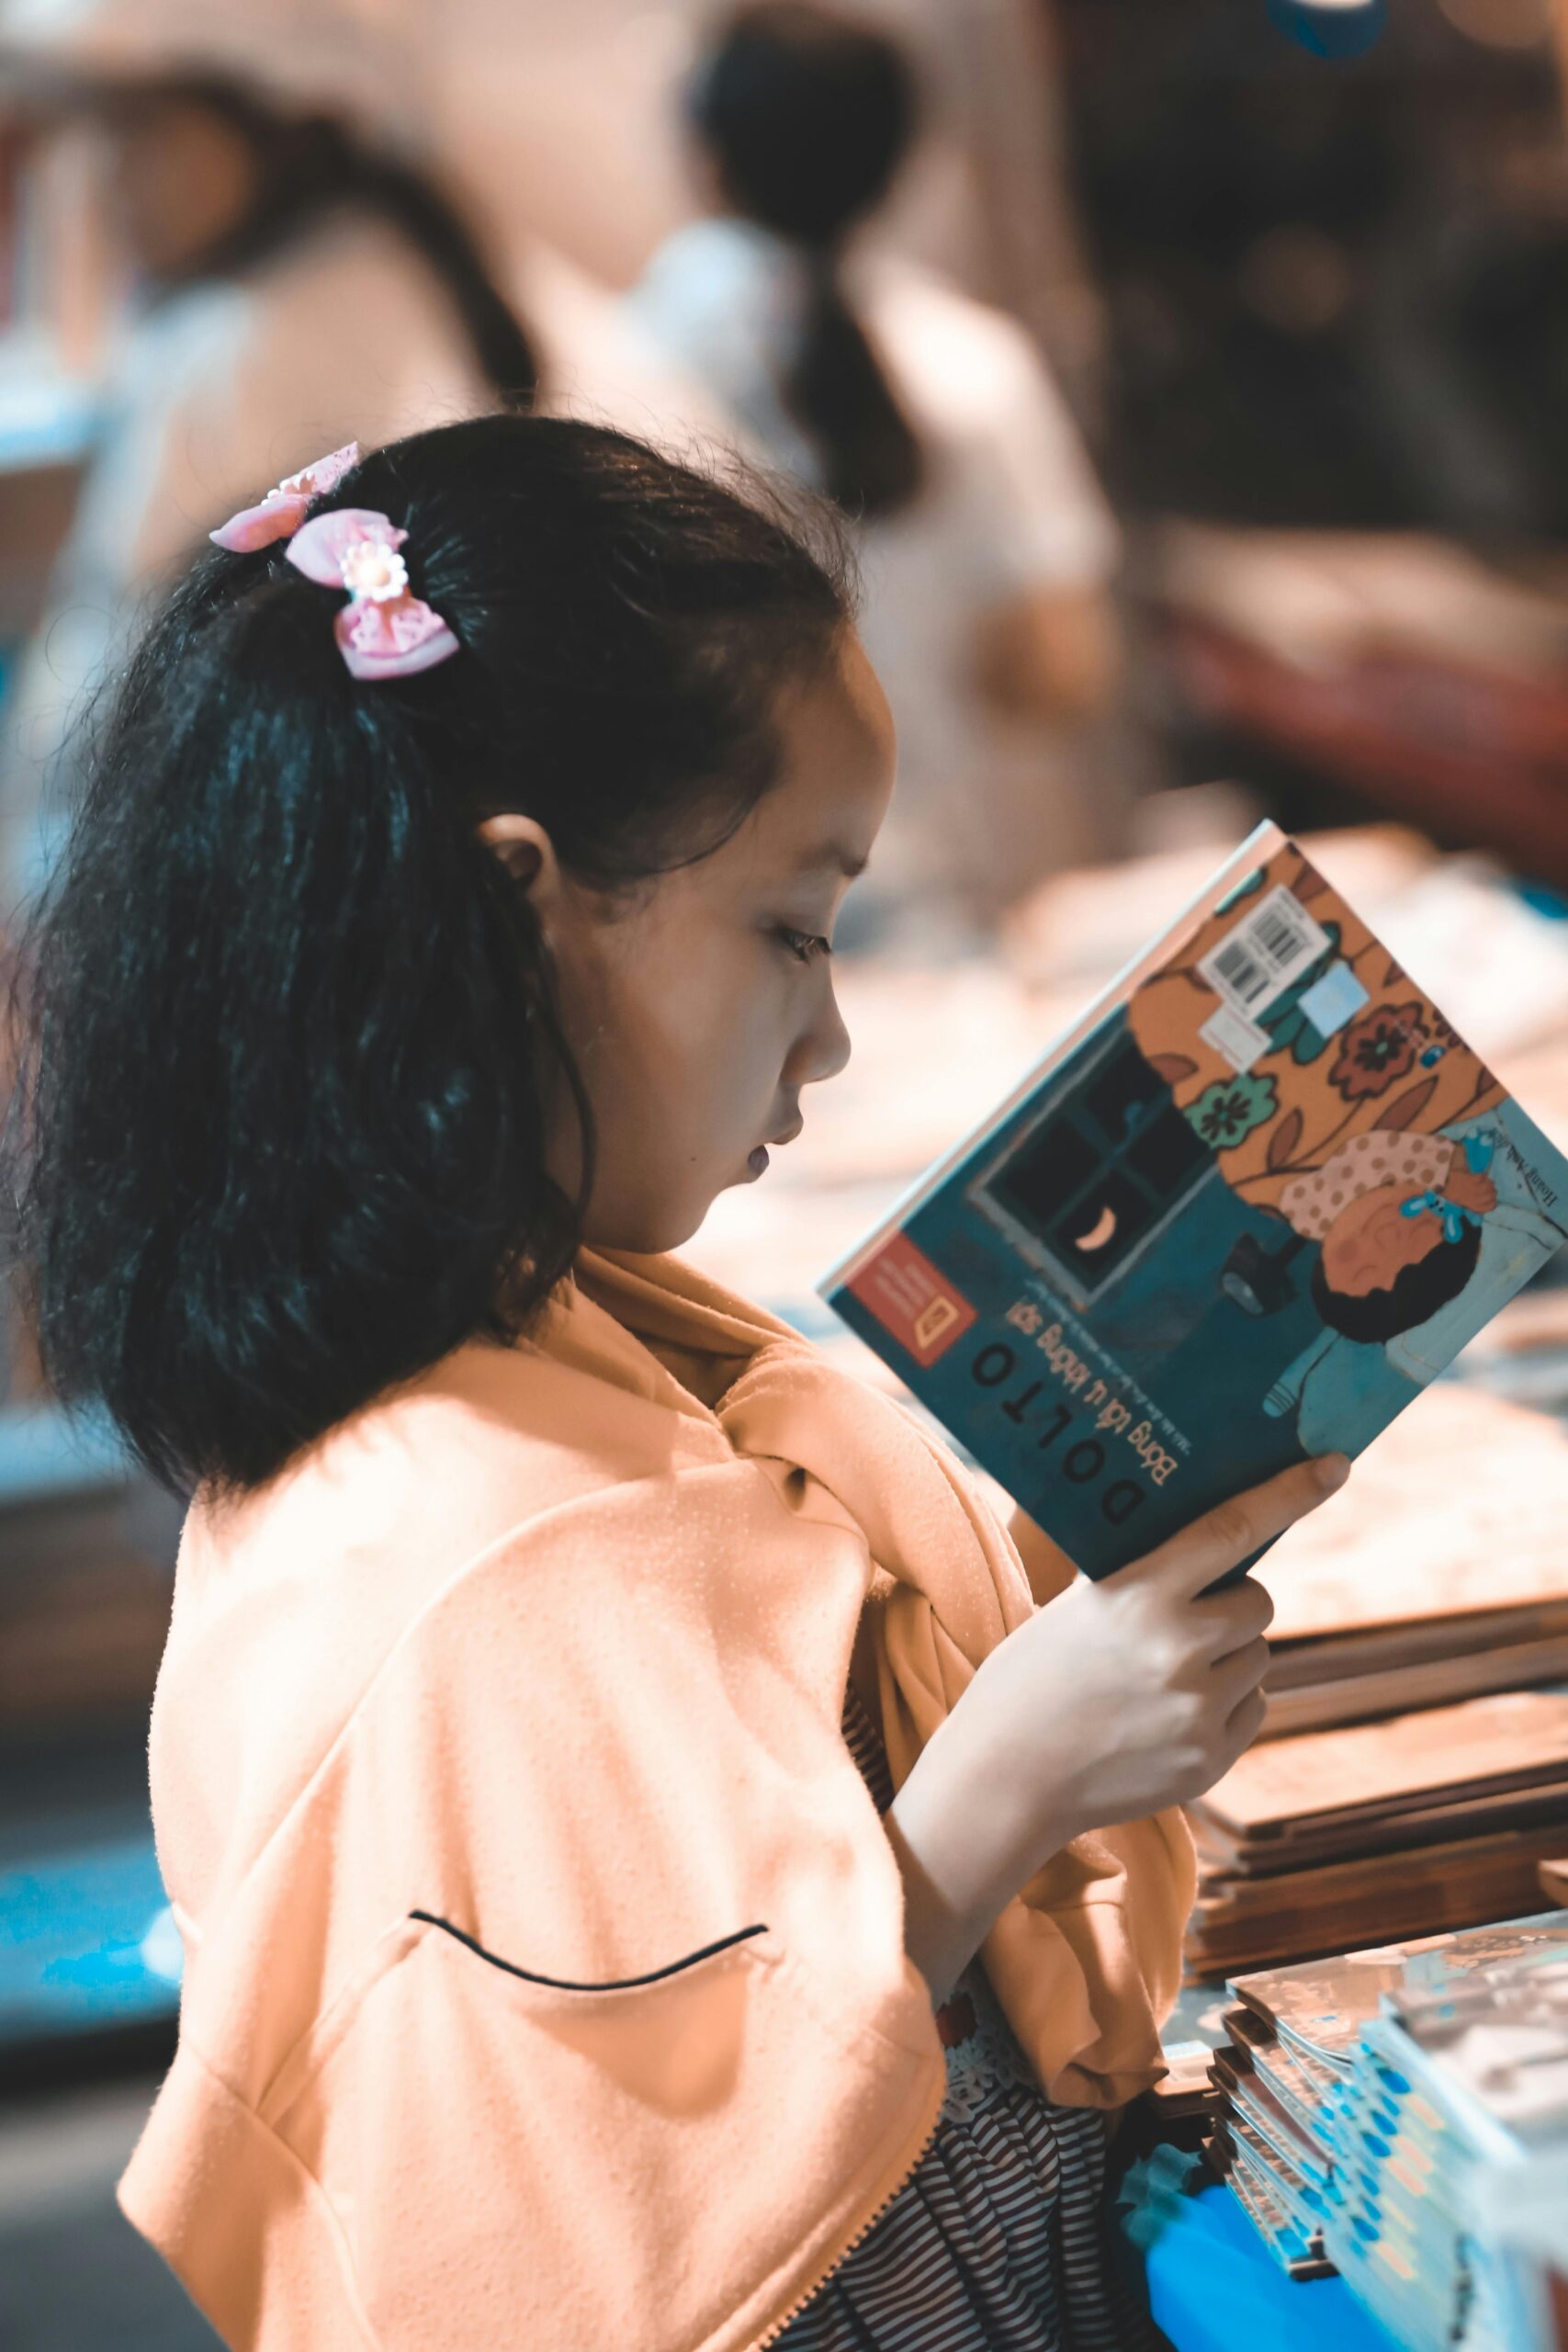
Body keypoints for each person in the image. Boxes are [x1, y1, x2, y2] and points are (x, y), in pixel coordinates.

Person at [7, 413, 1347, 2350]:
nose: (826, 1031)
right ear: (525, 902)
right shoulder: (486, 1556)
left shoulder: (499, 1342)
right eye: (791, 925)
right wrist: (1002, 1785)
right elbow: (630, 2231)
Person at [0, 18, 553, 908]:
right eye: (94, 132)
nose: (104, 179)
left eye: (146, 130)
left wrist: (39, 909)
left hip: (221, 888)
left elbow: (112, 677)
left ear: (278, 123)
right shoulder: (373, 268)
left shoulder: (252, 338)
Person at [626, 0, 1125, 953]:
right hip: (946, 913)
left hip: (713, 944)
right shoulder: (974, 365)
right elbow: (1061, 670)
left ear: (706, 157)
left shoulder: (610, 373)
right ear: (898, 165)